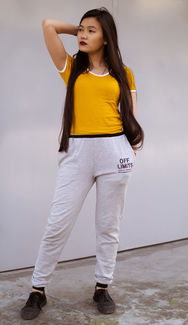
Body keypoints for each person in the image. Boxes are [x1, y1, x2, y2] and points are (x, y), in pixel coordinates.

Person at [20, 7, 144, 320]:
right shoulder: (71, 66)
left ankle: (102, 286)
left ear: (106, 38)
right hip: (77, 152)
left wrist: (128, 152)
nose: (83, 35)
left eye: (92, 31)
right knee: (56, 226)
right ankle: (38, 290)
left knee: (108, 226)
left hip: (114, 150)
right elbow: (48, 25)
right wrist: (78, 26)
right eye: (81, 30)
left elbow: (131, 115)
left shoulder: (123, 74)